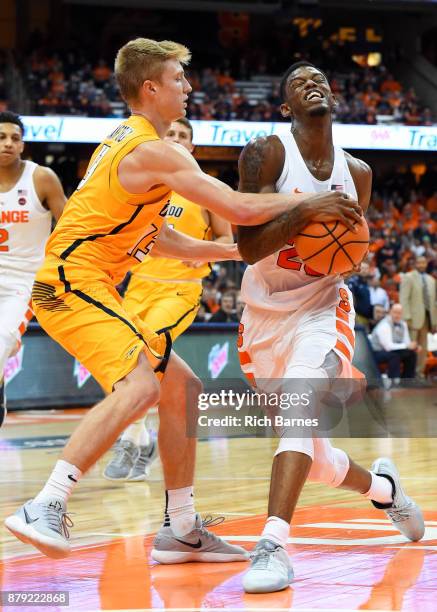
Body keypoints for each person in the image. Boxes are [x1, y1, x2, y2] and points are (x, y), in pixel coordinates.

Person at [4, 40, 361, 561]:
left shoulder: (127, 142)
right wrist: (311, 199)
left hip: (87, 281)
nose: (189, 88)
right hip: (70, 282)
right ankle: (47, 503)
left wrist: (227, 253)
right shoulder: (153, 149)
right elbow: (239, 204)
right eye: (179, 80)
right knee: (142, 388)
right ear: (151, 88)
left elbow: (160, 239)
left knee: (183, 391)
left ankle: (183, 528)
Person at [236, 61, 424, 594]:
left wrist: (347, 257)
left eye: (320, 78)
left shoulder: (358, 173)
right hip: (265, 312)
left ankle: (272, 545)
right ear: (285, 107)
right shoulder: (266, 152)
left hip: (322, 307)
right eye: (297, 83)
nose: (311, 83)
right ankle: (385, 490)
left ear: (334, 97)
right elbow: (248, 248)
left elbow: (341, 254)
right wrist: (306, 210)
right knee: (315, 461)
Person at [103, 116, 235, 481]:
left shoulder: (206, 188)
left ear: (192, 147)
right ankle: (143, 437)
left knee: (148, 349)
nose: (176, 138)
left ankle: (131, 439)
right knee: (120, 365)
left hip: (179, 289)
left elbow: (225, 238)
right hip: (138, 286)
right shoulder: (143, 186)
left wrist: (205, 252)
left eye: (183, 136)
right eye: (171, 133)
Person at [0, 111, 66, 427]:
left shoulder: (41, 178)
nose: (8, 143)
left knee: (2, 337)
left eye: (14, 137)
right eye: (1, 137)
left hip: (24, 280)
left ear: (23, 144)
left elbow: (70, 227)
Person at [400, 255, 437, 377]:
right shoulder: (408, 277)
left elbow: (434, 303)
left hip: (427, 319)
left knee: (424, 349)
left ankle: (419, 373)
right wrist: (407, 317)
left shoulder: (432, 280)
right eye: (419, 263)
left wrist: (434, 322)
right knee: (412, 348)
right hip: (413, 319)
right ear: (415, 264)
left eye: (424, 263)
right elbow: (404, 299)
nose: (421, 265)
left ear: (426, 264)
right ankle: (409, 375)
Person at [370, 303, 419, 385]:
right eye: (395, 312)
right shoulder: (384, 325)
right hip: (377, 352)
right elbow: (388, 347)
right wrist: (407, 346)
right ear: (390, 312)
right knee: (394, 356)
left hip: (392, 350)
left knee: (411, 354)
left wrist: (414, 346)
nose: (397, 315)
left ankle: (408, 381)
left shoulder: (403, 324)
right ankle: (394, 383)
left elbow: (406, 341)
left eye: (399, 313)